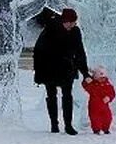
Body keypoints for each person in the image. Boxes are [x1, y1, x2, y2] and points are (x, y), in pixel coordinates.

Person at [33, 7, 89, 135]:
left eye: (73, 22)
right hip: (49, 68)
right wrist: (38, 72)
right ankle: (54, 124)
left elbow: (80, 52)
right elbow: (38, 51)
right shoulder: (50, 29)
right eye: (67, 22)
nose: (70, 25)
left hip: (67, 68)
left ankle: (68, 125)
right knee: (51, 96)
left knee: (67, 96)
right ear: (62, 21)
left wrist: (85, 72)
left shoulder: (75, 32)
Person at [82, 66, 116, 134]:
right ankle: (97, 129)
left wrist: (109, 98)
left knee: (108, 117)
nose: (102, 79)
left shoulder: (108, 84)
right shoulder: (93, 85)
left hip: (105, 106)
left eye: (103, 78)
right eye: (100, 78)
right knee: (95, 118)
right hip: (94, 106)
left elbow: (112, 93)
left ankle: (105, 129)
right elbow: (86, 87)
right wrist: (86, 81)